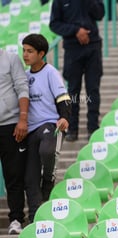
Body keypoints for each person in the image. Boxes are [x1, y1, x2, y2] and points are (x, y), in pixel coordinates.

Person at [22, 33, 71, 222]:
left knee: (48, 150)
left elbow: (63, 97)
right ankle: (35, 217)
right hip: (30, 131)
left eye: (30, 51)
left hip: (50, 124)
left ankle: (49, 179)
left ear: (41, 53)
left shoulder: (50, 72)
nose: (25, 55)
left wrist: (65, 117)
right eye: (24, 51)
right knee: (30, 178)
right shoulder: (24, 76)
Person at [49, 0, 105, 142]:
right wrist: (76, 31)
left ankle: (93, 129)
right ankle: (72, 129)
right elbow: (54, 24)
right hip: (72, 49)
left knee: (93, 90)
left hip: (93, 46)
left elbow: (100, 14)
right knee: (73, 91)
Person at [0, 48, 29, 234]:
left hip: (10, 125)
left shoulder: (10, 58)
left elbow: (22, 88)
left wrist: (23, 119)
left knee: (14, 175)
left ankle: (17, 219)